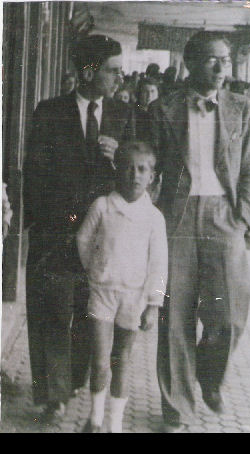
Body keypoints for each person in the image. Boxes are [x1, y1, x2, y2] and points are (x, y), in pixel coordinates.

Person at [148, 31, 250, 432]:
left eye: (225, 61)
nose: (220, 69)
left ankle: (210, 378)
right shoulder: (162, 107)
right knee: (175, 313)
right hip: (175, 217)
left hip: (223, 216)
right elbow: (147, 167)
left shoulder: (241, 107)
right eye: (212, 60)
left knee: (231, 308)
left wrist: (243, 217)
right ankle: (176, 407)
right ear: (190, 63)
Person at [23, 34, 134, 422]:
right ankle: (53, 395)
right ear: (88, 71)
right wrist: (42, 223)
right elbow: (35, 173)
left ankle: (69, 383)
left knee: (90, 315)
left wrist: (118, 158)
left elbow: (139, 176)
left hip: (102, 239)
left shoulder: (124, 114)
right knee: (50, 312)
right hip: (56, 233)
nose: (120, 79)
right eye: (112, 71)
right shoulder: (49, 111)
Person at [77, 141, 168, 433]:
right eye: (128, 167)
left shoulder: (154, 217)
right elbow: (83, 240)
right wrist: (94, 267)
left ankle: (114, 424)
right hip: (103, 292)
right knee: (101, 360)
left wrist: (153, 304)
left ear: (152, 176)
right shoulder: (103, 206)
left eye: (142, 169)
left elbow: (159, 263)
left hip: (134, 297)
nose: (134, 174)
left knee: (123, 360)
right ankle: (94, 419)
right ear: (117, 169)